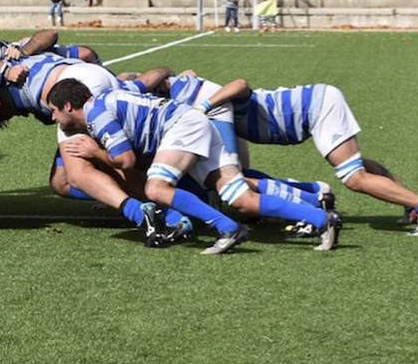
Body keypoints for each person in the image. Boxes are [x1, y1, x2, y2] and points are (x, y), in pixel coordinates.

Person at [51, 80, 342, 251]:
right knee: (241, 198)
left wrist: (95, 152)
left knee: (156, 188)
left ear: (67, 106)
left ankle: (228, 229)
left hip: (183, 127)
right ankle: (321, 219)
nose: (53, 119)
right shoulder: (106, 99)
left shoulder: (97, 115)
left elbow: (125, 161)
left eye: (53, 111)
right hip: (193, 123)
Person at [200, 77, 418, 236]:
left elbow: (241, 83)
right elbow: (241, 168)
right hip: (317, 106)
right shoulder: (225, 121)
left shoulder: (223, 104)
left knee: (354, 178)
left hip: (317, 108)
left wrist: (204, 106)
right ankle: (412, 205)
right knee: (356, 165)